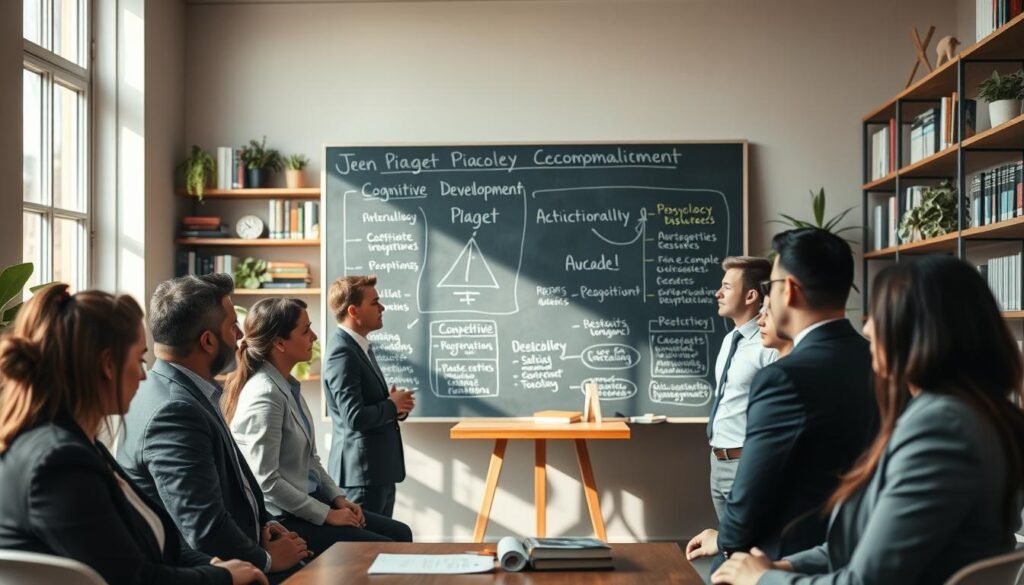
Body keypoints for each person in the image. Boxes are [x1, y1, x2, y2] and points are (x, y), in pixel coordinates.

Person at [712, 255, 1024, 585]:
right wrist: (782, 567)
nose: (867, 328)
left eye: (879, 315)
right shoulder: (982, 415)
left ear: (921, 331)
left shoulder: (941, 428)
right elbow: (869, 547)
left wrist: (761, 580)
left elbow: (866, 581)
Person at [0, 284, 266, 585]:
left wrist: (214, 565)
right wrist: (222, 576)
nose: (143, 374)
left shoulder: (78, 445)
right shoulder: (60, 462)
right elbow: (134, 579)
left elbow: (157, 547)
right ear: (108, 365)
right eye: (139, 359)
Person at [688, 228, 878, 568]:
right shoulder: (879, 361)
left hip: (787, 554)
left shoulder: (783, 377)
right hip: (859, 549)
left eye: (770, 287)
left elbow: (753, 489)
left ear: (788, 290)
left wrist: (724, 540)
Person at [117, 274, 310, 583]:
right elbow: (203, 528)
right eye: (233, 326)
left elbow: (233, 485)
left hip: (249, 544)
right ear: (207, 341)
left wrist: (266, 523)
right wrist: (267, 560)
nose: (241, 336)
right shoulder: (175, 411)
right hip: (220, 569)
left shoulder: (180, 389)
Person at [224, 297, 413, 555]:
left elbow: (311, 460)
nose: (314, 337)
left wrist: (338, 498)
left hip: (311, 501)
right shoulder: (265, 394)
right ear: (279, 343)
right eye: (305, 331)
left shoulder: (287, 386)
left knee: (401, 533)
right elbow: (267, 482)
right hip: (285, 517)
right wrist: (327, 514)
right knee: (386, 546)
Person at [323, 275, 415, 518]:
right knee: (364, 542)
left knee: (383, 540)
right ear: (353, 311)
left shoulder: (359, 347)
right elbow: (354, 417)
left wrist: (396, 406)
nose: (382, 308)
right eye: (374, 302)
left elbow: (365, 405)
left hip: (376, 473)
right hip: (361, 477)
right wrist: (390, 406)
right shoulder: (342, 352)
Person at [707, 256, 779, 520]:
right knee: (728, 541)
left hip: (746, 463)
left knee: (748, 541)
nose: (718, 293)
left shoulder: (769, 345)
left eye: (726, 287)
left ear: (750, 296)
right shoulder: (730, 339)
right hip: (718, 459)